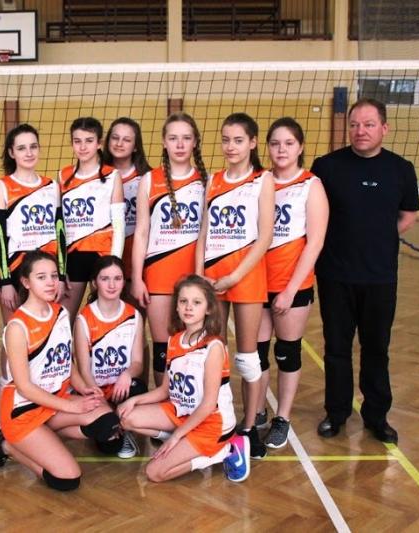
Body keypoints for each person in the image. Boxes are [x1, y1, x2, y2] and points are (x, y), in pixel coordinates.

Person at [312, 97, 419, 444]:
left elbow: (408, 215)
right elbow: (312, 213)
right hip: (335, 276)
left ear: (384, 128)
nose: (360, 131)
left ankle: (377, 416)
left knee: (376, 349)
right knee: (336, 349)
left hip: (380, 277)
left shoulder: (401, 169)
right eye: (355, 124)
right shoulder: (326, 167)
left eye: (369, 124)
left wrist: (377, 238)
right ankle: (336, 413)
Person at [0, 251, 121, 492]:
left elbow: (67, 363)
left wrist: (84, 388)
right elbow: (24, 387)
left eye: (54, 276)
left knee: (107, 423)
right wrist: (71, 406)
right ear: (26, 282)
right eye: (41, 277)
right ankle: (6, 445)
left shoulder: (61, 313)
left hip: (54, 403)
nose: (50, 282)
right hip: (24, 411)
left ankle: (42, 437)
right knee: (67, 478)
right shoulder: (17, 327)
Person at [118, 275, 250, 483]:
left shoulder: (213, 346)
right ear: (177, 307)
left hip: (211, 423)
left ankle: (226, 450)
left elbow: (208, 405)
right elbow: (164, 391)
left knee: (154, 472)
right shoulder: (175, 340)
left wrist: (177, 435)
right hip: (182, 412)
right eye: (183, 301)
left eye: (196, 302)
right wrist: (133, 400)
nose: (189, 307)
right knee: (126, 417)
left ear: (208, 308)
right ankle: (182, 441)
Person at [195, 112, 274, 459]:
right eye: (226, 140)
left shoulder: (262, 180)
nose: (231, 146)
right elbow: (204, 232)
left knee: (247, 358)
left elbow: (265, 236)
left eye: (238, 140)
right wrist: (199, 276)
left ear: (252, 143)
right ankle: (218, 420)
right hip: (213, 277)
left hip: (245, 277)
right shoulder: (213, 180)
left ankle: (249, 426)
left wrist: (236, 276)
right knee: (214, 354)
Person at [255, 117, 328, 449]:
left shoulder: (311, 185)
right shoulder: (259, 181)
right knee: (255, 355)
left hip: (291, 285)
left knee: (287, 353)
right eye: (275, 143)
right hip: (257, 284)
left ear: (300, 147)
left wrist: (289, 290)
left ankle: (282, 418)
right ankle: (257, 412)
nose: (281, 150)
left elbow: (315, 243)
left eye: (288, 143)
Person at [131, 112, 208, 387]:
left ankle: (191, 402)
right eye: (173, 138)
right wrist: (137, 278)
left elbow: (206, 235)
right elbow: (141, 232)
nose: (180, 144)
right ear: (164, 142)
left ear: (195, 142)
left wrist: (201, 276)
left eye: (186, 138)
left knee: (193, 348)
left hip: (193, 277)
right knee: (163, 349)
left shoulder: (206, 182)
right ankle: (166, 404)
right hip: (158, 277)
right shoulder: (149, 181)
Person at [0, 124, 67, 385]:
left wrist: (61, 276)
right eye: (22, 148)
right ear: (11, 152)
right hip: (15, 273)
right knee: (12, 334)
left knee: (47, 330)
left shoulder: (51, 186)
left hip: (46, 274)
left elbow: (60, 233)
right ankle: (8, 389)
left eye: (33, 147)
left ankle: (45, 388)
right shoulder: (2, 187)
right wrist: (4, 282)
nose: (29, 153)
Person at [74, 255, 146, 459]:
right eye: (105, 279)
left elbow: (138, 363)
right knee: (109, 446)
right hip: (95, 390)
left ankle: (125, 428)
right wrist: (98, 399)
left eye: (117, 278)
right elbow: (84, 370)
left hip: (122, 389)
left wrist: (127, 374)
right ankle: (111, 424)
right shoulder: (84, 319)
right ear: (94, 283)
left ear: (124, 281)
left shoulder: (133, 315)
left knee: (138, 387)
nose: (112, 285)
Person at [59, 117, 125, 321]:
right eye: (77, 141)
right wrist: (60, 267)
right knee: (63, 319)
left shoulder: (112, 175)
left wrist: (114, 263)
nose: (83, 147)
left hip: (102, 255)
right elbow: (57, 226)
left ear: (99, 143)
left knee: (102, 318)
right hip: (73, 257)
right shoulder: (63, 176)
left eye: (89, 141)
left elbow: (119, 226)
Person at [102, 117, 153, 282]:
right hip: (105, 255)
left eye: (127, 140)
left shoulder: (148, 178)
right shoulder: (97, 176)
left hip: (139, 256)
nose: (119, 143)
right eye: (115, 138)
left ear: (136, 146)